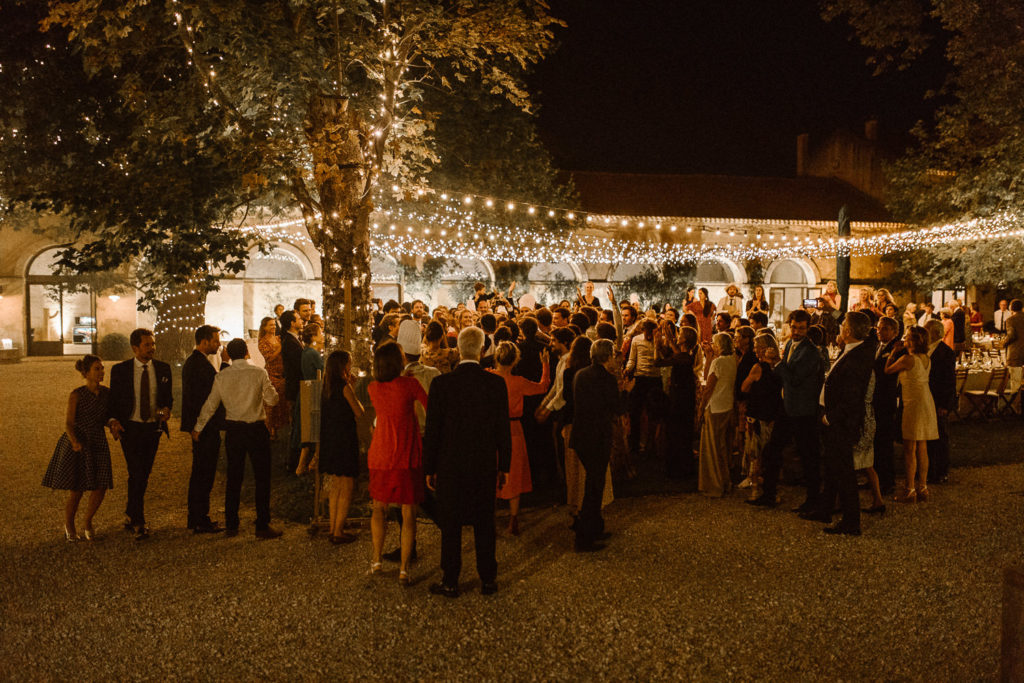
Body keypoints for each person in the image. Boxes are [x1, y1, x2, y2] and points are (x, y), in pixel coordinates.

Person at [423, 327, 511, 598]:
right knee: (485, 521)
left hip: (451, 463)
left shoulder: (442, 384)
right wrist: (504, 465)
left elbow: (433, 429)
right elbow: (502, 429)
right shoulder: (495, 384)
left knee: (451, 524)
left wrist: (429, 467)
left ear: (458, 350)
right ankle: (488, 578)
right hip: (483, 462)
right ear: (483, 351)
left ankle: (451, 579)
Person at [192, 339, 281, 539]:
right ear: (247, 352)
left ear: (229, 355)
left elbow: (210, 405)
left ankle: (232, 524)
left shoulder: (222, 376)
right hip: (256, 428)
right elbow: (271, 400)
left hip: (234, 429)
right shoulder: (259, 373)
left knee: (234, 476)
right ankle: (262, 524)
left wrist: (198, 427)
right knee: (262, 477)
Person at [747, 310, 824, 511]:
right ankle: (769, 494)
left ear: (807, 329)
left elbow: (795, 378)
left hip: (803, 410)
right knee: (772, 450)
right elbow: (783, 375)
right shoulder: (790, 344)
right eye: (794, 327)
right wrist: (774, 365)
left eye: (800, 328)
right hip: (787, 406)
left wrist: (777, 363)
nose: (796, 331)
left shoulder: (811, 352)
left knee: (808, 456)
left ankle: (813, 500)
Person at [367, 342, 428, 586]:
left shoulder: (373, 388)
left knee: (378, 508)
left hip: (380, 453)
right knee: (408, 512)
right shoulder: (410, 384)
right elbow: (429, 404)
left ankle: (376, 559)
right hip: (406, 454)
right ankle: (404, 569)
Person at [812, 312, 877, 535]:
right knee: (832, 467)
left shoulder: (858, 357)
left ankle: (851, 521)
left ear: (848, 331)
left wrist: (830, 417)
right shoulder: (851, 351)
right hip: (833, 418)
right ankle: (825, 508)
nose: (840, 328)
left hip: (839, 422)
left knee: (844, 471)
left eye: (842, 325)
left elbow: (852, 397)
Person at [107, 328, 172, 540]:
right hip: (131, 428)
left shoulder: (163, 369)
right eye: (147, 345)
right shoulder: (120, 371)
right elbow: (114, 401)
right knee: (137, 472)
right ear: (135, 348)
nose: (152, 348)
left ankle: (130, 512)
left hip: (153, 429)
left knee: (143, 473)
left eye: (153, 344)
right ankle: (138, 520)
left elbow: (166, 401)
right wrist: (114, 421)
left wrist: (164, 412)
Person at [570, 339, 634, 552]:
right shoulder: (606, 379)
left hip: (581, 436)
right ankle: (585, 537)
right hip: (597, 437)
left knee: (593, 483)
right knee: (594, 487)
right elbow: (617, 409)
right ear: (607, 356)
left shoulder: (581, 375)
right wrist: (626, 391)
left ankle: (594, 527)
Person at [43, 354, 115, 541]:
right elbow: (69, 422)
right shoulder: (77, 395)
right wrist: (74, 441)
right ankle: (69, 523)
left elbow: (107, 416)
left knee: (101, 484)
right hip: (80, 442)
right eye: (97, 369)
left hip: (98, 440)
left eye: (102, 368)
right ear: (86, 373)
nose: (101, 372)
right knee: (77, 487)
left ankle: (88, 520)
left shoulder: (106, 394)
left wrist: (113, 424)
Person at [489, 341, 550, 535]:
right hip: (514, 428)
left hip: (491, 430)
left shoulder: (488, 377)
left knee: (490, 470)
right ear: (515, 360)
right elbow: (542, 387)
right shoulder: (519, 381)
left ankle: (489, 517)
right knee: (513, 474)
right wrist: (545, 365)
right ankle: (513, 519)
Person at [180, 325, 225, 534]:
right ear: (205, 341)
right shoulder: (198, 365)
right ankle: (199, 518)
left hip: (203, 425)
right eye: (215, 340)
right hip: (204, 426)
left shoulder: (197, 363)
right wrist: (225, 364)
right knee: (203, 472)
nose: (218, 344)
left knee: (202, 472)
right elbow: (211, 394)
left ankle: (197, 517)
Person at [885, 326, 939, 503]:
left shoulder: (908, 359)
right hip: (926, 401)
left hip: (914, 404)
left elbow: (888, 370)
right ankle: (922, 487)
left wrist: (894, 352)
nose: (904, 340)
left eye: (907, 338)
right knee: (922, 447)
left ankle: (910, 489)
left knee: (910, 448)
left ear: (914, 341)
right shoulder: (926, 358)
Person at [319, 350, 363, 544]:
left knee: (336, 485)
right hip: (344, 439)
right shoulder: (344, 387)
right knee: (346, 485)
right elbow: (359, 411)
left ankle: (332, 527)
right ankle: (338, 530)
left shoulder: (326, 387)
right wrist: (353, 388)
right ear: (343, 366)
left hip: (330, 439)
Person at [740, 335, 782, 500]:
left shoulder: (758, 368)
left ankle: (756, 488)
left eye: (757, 346)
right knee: (770, 453)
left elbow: (744, 387)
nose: (755, 349)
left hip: (757, 415)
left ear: (765, 348)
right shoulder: (778, 367)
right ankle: (770, 487)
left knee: (755, 454)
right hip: (772, 415)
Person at [655, 325, 699, 478]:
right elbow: (669, 353)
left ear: (685, 339)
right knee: (679, 432)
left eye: (680, 334)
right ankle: (680, 467)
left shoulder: (685, 357)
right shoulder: (682, 355)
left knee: (678, 432)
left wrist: (657, 346)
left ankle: (679, 469)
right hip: (681, 397)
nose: (677, 335)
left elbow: (658, 362)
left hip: (681, 400)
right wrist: (664, 342)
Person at [697, 332, 737, 498]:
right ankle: (725, 481)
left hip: (715, 407)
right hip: (727, 405)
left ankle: (714, 484)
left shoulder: (718, 363)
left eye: (714, 343)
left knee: (712, 448)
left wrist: (701, 407)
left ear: (719, 345)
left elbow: (709, 385)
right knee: (723, 447)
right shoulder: (733, 360)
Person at [561, 335, 594, 522]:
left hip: (571, 421)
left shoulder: (569, 372)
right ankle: (584, 504)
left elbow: (566, 396)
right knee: (585, 468)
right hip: (586, 421)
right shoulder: (591, 372)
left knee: (571, 466)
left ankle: (573, 503)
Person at [871, 316, 902, 496]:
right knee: (875, 441)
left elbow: (888, 375)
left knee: (884, 442)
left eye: (883, 329)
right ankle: (875, 478)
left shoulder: (896, 349)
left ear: (894, 332)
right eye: (878, 328)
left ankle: (887, 481)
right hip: (874, 398)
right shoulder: (877, 346)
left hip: (886, 398)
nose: (879, 331)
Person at [625, 320, 663, 457]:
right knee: (635, 412)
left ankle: (651, 445)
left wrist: (658, 344)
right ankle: (634, 445)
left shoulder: (659, 340)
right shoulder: (636, 340)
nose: (649, 335)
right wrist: (628, 369)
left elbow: (662, 358)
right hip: (640, 378)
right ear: (643, 330)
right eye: (647, 332)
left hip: (655, 379)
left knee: (654, 414)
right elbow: (632, 359)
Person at [294, 323, 325, 475]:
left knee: (309, 429)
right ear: (313, 336)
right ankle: (307, 464)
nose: (322, 336)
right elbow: (321, 370)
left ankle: (306, 463)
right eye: (320, 333)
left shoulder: (306, 352)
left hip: (307, 389)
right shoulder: (312, 354)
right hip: (313, 391)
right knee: (313, 428)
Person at [279, 310, 304, 471]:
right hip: (295, 388)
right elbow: (297, 366)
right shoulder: (290, 342)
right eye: (299, 319)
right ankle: (292, 461)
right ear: (291, 323)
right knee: (296, 426)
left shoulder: (293, 340)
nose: (301, 321)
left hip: (295, 387)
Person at [257, 317, 290, 439]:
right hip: (271, 374)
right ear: (264, 327)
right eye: (270, 325)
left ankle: (277, 429)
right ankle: (269, 430)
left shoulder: (278, 338)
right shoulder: (263, 342)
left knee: (281, 403)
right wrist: (280, 348)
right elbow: (269, 358)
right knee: (272, 404)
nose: (273, 327)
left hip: (282, 374)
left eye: (274, 325)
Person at [1004, 300, 1024, 401]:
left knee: (1015, 382)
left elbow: (1011, 335)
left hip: (1016, 353)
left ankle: (1014, 406)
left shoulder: (1011, 320)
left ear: (1011, 308)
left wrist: (1003, 343)